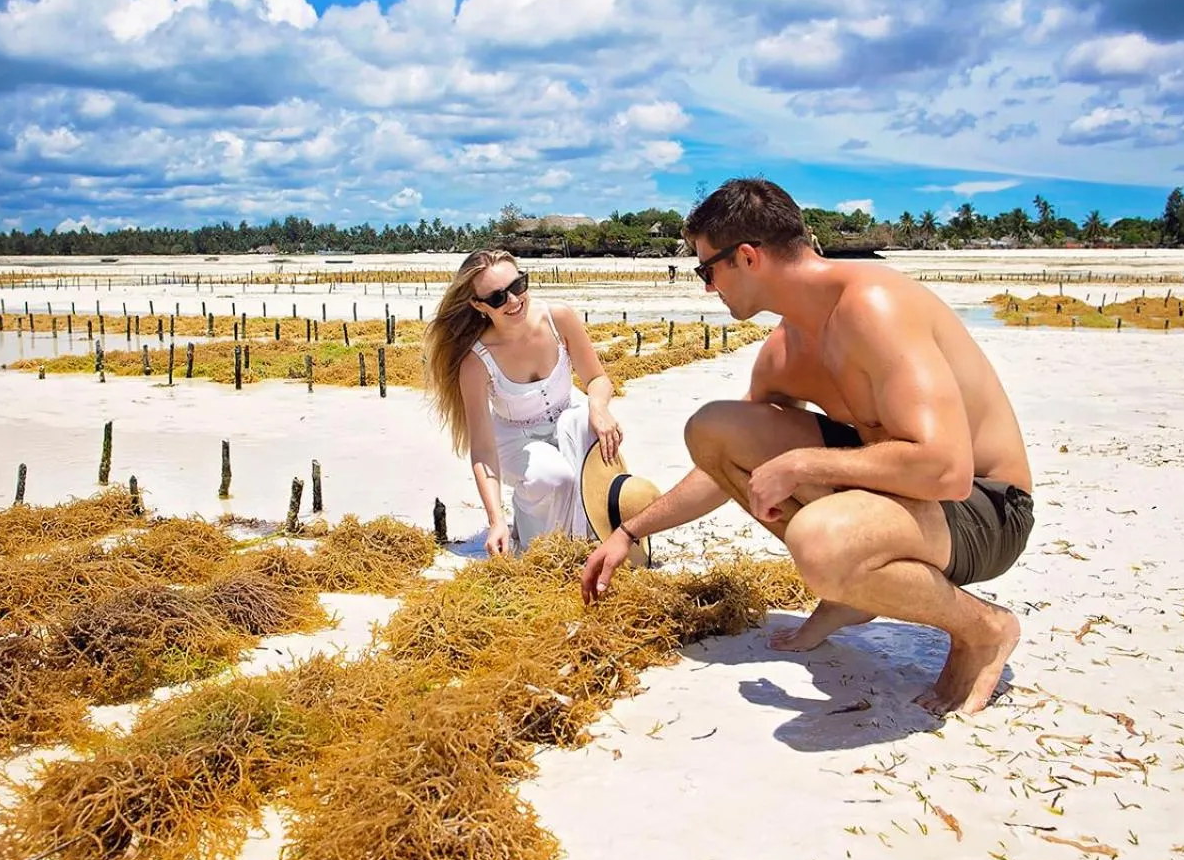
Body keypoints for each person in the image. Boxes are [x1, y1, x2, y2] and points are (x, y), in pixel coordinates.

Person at [580, 179, 1034, 716]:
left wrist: (800, 463)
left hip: (987, 510)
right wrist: (632, 530)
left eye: (707, 270)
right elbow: (728, 467)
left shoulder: (874, 306)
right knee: (714, 429)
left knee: (822, 543)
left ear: (747, 258)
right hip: (911, 500)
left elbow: (948, 471)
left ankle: (983, 629)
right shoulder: (783, 352)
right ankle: (850, 591)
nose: (707, 288)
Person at [425, 249, 624, 557]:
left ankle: (596, 542)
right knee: (553, 476)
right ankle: (531, 546)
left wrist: (599, 408)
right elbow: (482, 449)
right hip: (514, 438)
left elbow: (597, 379)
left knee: (591, 431)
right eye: (497, 298)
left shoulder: (559, 318)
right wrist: (496, 521)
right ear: (478, 305)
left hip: (570, 417)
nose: (514, 301)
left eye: (518, 286)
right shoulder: (476, 361)